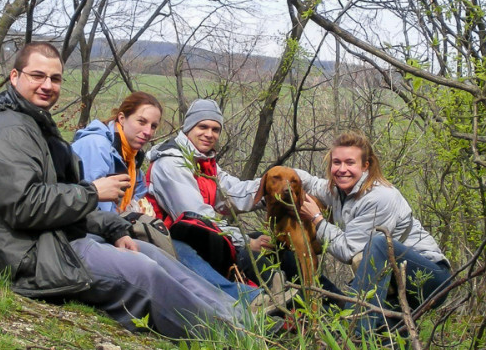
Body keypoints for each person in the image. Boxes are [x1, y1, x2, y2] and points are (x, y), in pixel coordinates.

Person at [0, 42, 244, 339]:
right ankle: (232, 340)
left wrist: (112, 228)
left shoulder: (33, 124)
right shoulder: (6, 130)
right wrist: (93, 192)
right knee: (143, 273)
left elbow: (56, 198)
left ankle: (243, 320)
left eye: (55, 79)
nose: (47, 85)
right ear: (15, 77)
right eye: (37, 76)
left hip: (46, 238)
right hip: (17, 257)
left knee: (152, 253)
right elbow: (23, 207)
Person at [296, 131, 452, 335]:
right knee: (388, 335)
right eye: (336, 162)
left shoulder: (380, 196)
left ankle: (353, 333)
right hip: (393, 282)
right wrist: (278, 176)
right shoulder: (339, 190)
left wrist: (317, 219)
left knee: (378, 244)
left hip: (430, 279)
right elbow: (312, 183)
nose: (342, 169)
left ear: (365, 166)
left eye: (350, 162)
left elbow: (349, 251)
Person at [145, 99, 268, 302]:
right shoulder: (171, 163)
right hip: (169, 240)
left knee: (270, 247)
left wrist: (269, 191)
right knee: (249, 251)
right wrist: (245, 242)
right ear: (189, 128)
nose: (209, 134)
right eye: (203, 126)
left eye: (215, 129)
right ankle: (253, 300)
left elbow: (233, 192)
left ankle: (293, 299)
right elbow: (197, 218)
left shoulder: (204, 163)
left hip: (200, 238)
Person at [71, 91, 162, 213]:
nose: (148, 131)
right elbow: (90, 210)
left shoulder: (131, 157)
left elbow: (138, 196)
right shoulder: (96, 146)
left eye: (153, 126)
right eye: (141, 122)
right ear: (122, 119)